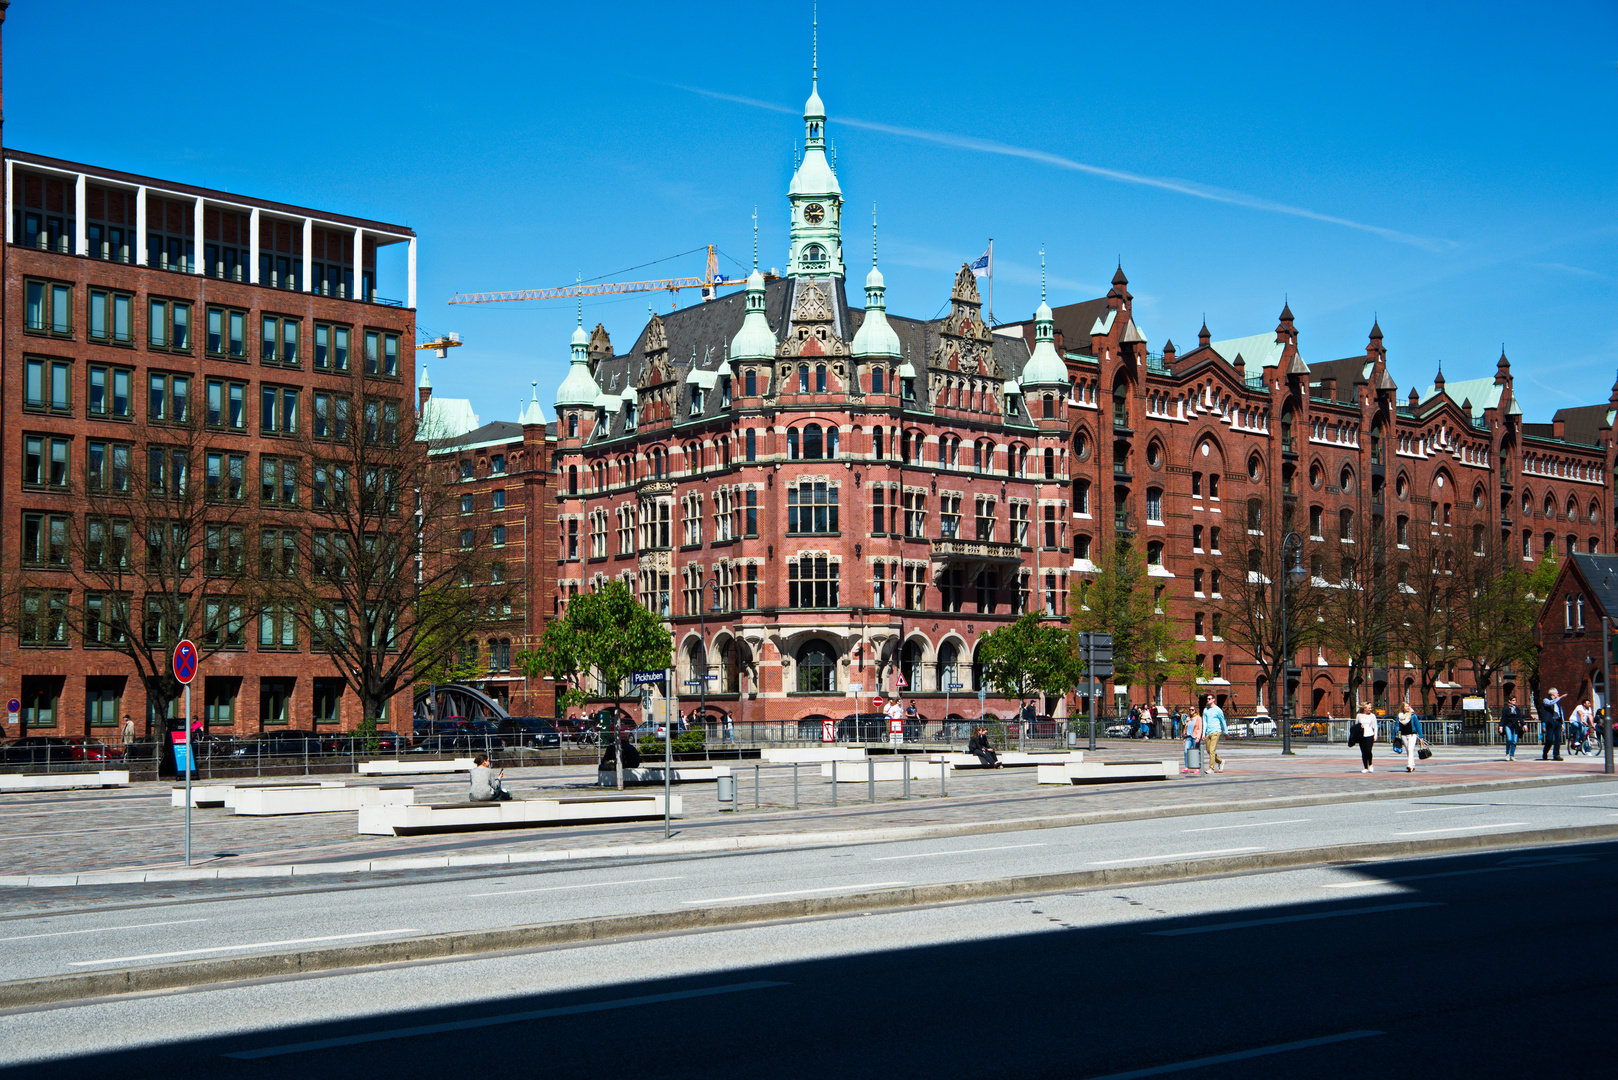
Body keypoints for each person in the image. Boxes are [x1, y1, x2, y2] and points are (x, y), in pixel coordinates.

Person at [1201, 696, 1227, 774]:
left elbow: (1223, 720)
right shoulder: (1206, 710)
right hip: (1208, 732)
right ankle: (1220, 761)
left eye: (1209, 699)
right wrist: (1203, 733)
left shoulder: (1218, 710)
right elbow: (1204, 722)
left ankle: (1211, 768)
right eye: (1207, 699)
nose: (1208, 700)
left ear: (1213, 700)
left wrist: (1226, 731)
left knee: (1212, 750)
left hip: (1216, 731)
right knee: (1209, 750)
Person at [1540, 687, 1565, 761]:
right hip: (1551, 722)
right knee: (1549, 739)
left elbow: (1561, 713)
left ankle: (1556, 755)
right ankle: (1545, 752)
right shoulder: (1546, 700)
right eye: (1557, 693)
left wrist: (1562, 723)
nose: (1558, 694)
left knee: (1558, 739)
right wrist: (1559, 697)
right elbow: (1550, 703)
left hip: (1557, 721)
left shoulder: (1557, 702)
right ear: (1553, 694)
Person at [1395, 703, 1420, 772]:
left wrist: (1421, 736)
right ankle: (1412, 764)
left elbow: (1417, 725)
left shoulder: (1413, 716)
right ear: (1403, 708)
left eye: (1408, 706)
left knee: (1410, 749)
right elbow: (1396, 725)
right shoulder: (1400, 716)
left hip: (1412, 735)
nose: (1408, 707)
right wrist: (1393, 735)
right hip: (1403, 735)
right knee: (1408, 750)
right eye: (1406, 706)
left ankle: (1409, 765)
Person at [1352, 701, 1377, 772]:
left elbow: (1375, 726)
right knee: (1363, 751)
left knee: (1368, 750)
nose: (1370, 709)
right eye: (1368, 708)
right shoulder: (1359, 716)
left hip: (1370, 734)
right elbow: (1355, 726)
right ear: (1364, 708)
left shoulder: (1372, 716)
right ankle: (1365, 767)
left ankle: (1370, 764)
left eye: (1370, 708)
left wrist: (1375, 735)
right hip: (1361, 735)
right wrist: (1359, 727)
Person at [1499, 692, 1524, 761]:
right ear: (1509, 701)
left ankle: (1512, 755)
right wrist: (1501, 726)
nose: (1514, 702)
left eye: (1515, 700)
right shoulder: (1506, 708)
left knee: (1514, 741)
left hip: (1515, 725)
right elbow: (1503, 717)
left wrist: (1523, 724)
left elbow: (1520, 717)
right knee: (1509, 739)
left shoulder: (1516, 708)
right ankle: (1507, 754)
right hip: (1508, 725)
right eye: (1513, 700)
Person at [1182, 708, 1202, 774]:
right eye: (1190, 709)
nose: (1191, 711)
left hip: (1195, 736)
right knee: (1186, 751)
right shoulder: (1188, 718)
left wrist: (1198, 737)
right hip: (1188, 737)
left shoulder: (1198, 718)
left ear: (1195, 710)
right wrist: (1184, 737)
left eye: (1192, 710)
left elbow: (1200, 728)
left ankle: (1197, 767)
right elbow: (1186, 728)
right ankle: (1186, 767)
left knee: (1196, 751)